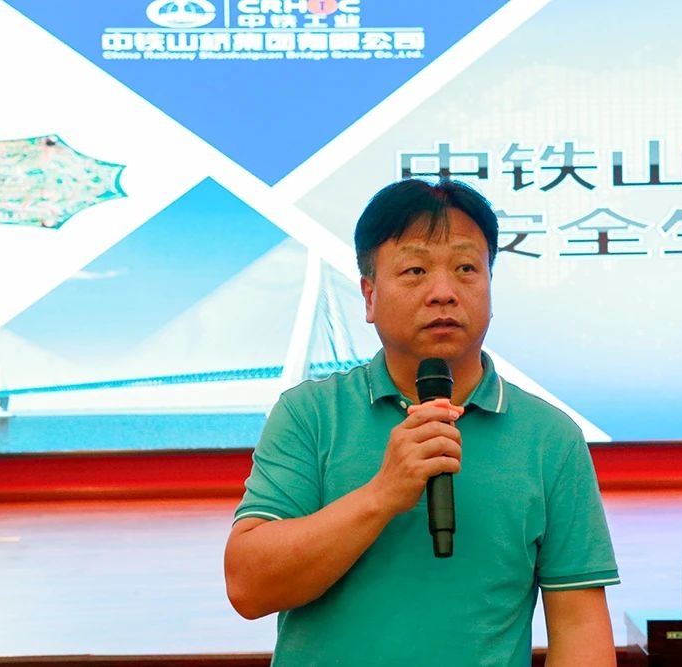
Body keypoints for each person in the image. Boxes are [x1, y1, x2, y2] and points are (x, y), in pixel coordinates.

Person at [224, 177, 620, 666]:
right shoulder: (309, 414)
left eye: (466, 268)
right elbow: (249, 588)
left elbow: (580, 627)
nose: (443, 293)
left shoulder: (550, 438)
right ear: (369, 296)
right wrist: (383, 493)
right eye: (415, 270)